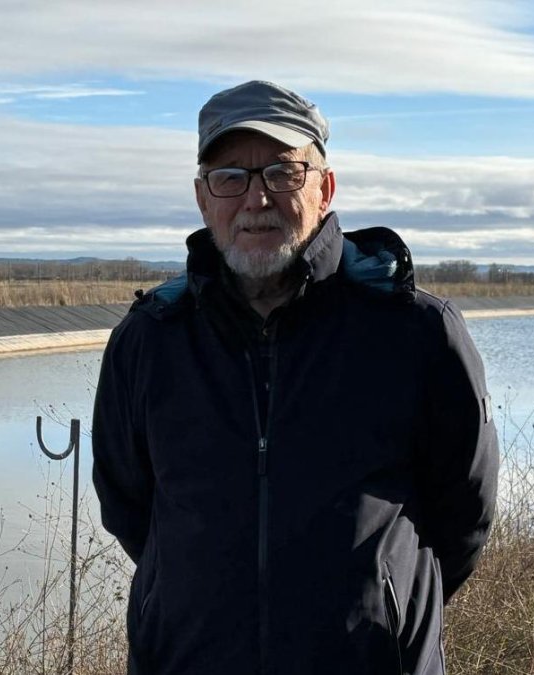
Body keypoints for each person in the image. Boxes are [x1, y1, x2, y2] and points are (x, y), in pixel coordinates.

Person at [92, 80, 499, 675]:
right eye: (230, 177)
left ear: (325, 188)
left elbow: (464, 513)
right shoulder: (150, 340)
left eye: (283, 173)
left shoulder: (415, 332)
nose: (256, 199)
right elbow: (127, 508)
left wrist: (384, 610)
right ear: (203, 198)